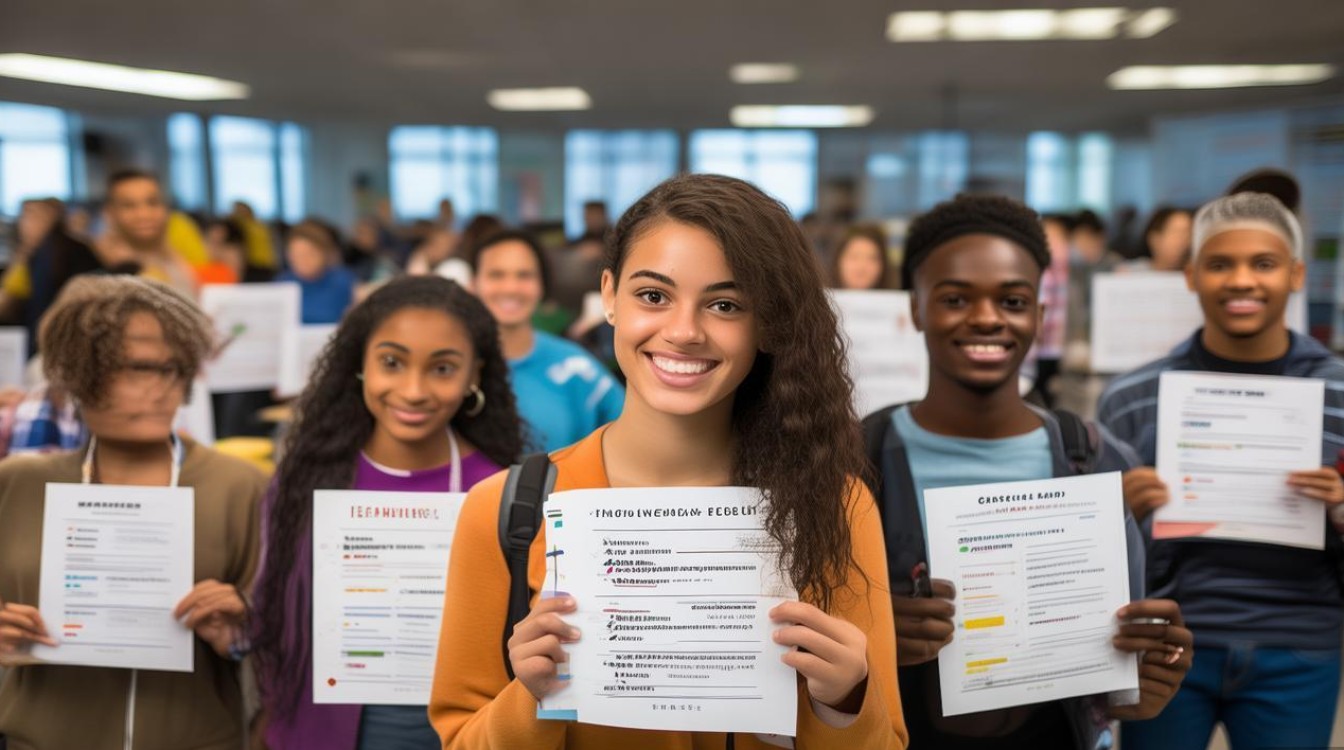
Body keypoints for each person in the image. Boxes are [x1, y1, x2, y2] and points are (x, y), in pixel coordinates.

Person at [429, 173, 908, 749]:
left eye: (725, 304)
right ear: (608, 296)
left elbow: (885, 743)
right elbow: (460, 742)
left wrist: (845, 699)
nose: (683, 332)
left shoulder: (836, 503)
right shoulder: (503, 511)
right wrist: (531, 696)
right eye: (653, 296)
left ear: (769, 324)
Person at [866, 194, 1193, 749]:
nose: (988, 318)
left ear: (1040, 315)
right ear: (916, 308)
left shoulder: (1091, 457)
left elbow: (1124, 653)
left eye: (1013, 300)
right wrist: (867, 635)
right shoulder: (853, 459)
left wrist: (1142, 682)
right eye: (955, 298)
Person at [1097, 192, 1344, 750]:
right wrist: (1120, 513)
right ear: (1190, 276)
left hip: (1299, 646)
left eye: (1263, 263)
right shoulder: (1131, 398)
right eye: (1219, 264)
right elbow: (1094, 560)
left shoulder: (1339, 393)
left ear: (1297, 274)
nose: (1241, 281)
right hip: (1164, 645)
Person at [250, 275, 525, 750]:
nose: (413, 390)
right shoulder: (307, 479)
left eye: (442, 368)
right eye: (392, 363)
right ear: (361, 363)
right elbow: (275, 605)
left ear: (473, 376)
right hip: (316, 728)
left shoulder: (501, 491)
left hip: (448, 733)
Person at [0, 275, 266, 749]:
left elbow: (286, 642)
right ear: (80, 371)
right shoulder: (18, 484)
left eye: (173, 368)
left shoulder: (239, 486)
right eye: (136, 368)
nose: (162, 388)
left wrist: (241, 633)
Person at [467, 230, 623, 451]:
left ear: (541, 285)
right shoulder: (452, 366)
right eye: (496, 275)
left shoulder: (575, 365)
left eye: (524, 275)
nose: (511, 288)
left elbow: (633, 430)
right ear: (473, 284)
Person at [99, 170, 197, 297]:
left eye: (152, 203)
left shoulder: (174, 258)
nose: (144, 214)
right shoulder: (104, 269)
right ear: (109, 213)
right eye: (129, 206)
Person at [279, 221, 357, 325]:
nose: (303, 261)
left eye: (309, 254)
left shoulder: (343, 281)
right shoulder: (283, 283)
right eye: (296, 255)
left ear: (323, 253)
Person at [1123, 207, 1192, 273]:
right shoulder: (1130, 274)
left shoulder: (1196, 275)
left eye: (1189, 234)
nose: (1184, 241)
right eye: (1177, 233)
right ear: (1154, 239)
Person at [830, 224, 891, 290]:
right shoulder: (821, 295)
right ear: (838, 260)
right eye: (854, 257)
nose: (861, 266)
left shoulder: (899, 298)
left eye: (871, 259)